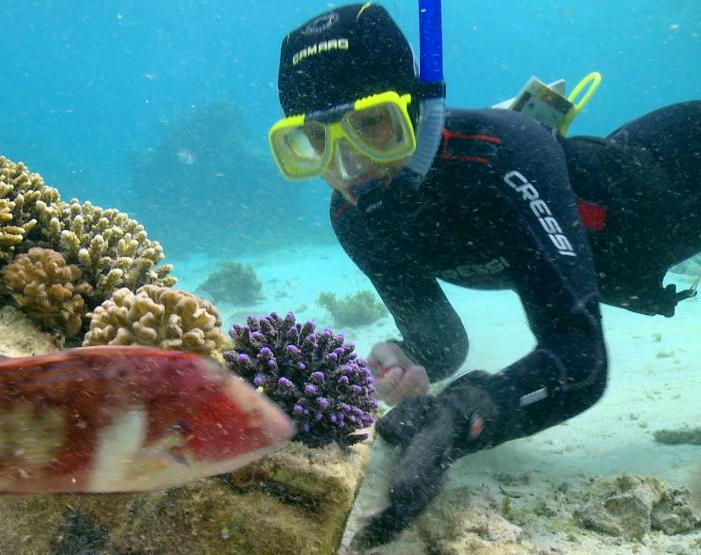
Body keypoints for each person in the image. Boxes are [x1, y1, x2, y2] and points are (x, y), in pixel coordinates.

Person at [269, 2, 701, 549]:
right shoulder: (355, 219)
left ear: (420, 111)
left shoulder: (503, 151)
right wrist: (408, 355)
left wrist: (466, 411)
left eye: (372, 123)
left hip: (681, 169)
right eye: (313, 141)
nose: (349, 166)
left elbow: (580, 357)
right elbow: (442, 343)